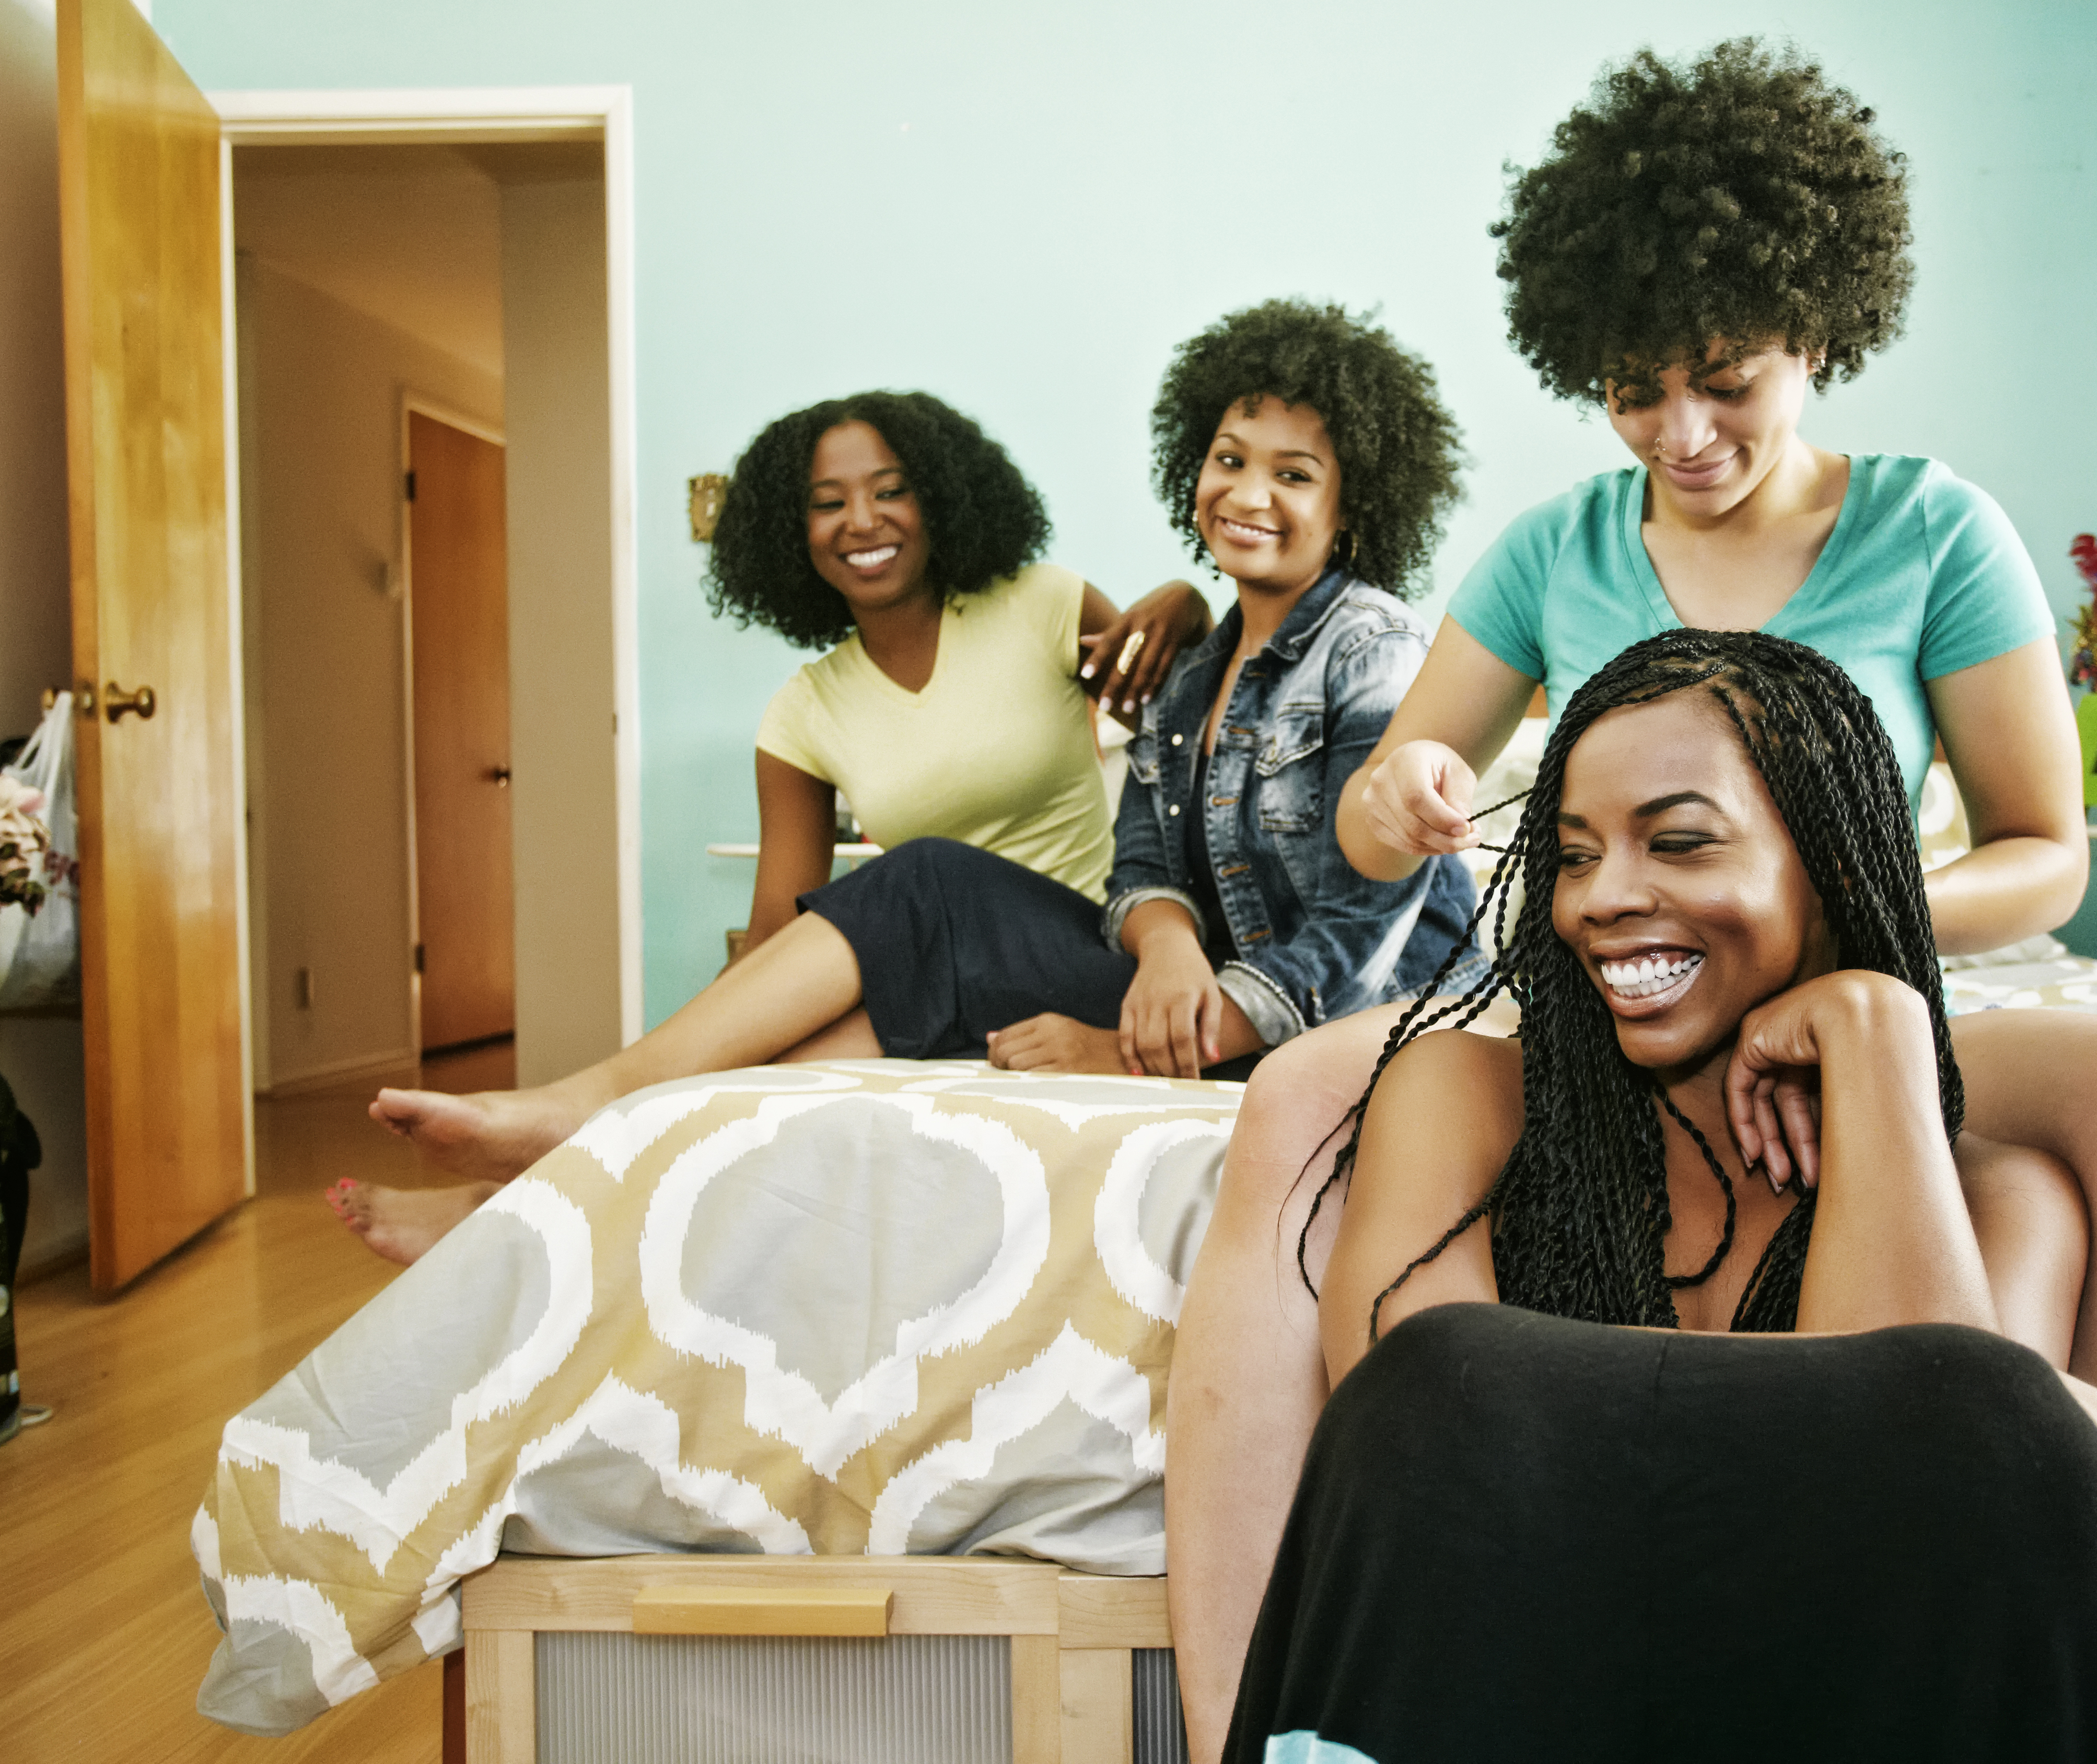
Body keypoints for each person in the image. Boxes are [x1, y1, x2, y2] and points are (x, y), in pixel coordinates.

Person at [1165, 41, 2097, 1758]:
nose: (1682, 433)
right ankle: (1267, 1712)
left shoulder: (1934, 531)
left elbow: (2042, 847)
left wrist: (1859, 945)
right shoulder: (1551, 553)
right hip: (1634, 999)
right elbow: (1400, 811)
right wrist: (1398, 798)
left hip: (1899, 961)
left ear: (1812, 337)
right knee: (1316, 1096)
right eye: (1634, 389)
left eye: (1727, 382)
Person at [334, 302, 1486, 1258]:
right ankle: (549, 1184)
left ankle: (576, 1123)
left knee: (922, 885)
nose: (1248, 492)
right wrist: (1170, 945)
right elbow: (1146, 858)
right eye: (1229, 461)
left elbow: (1365, 931)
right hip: (1145, 976)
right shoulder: (1185, 683)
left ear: (1354, 502)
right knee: (801, 1042)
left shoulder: (1365, 649)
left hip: (1261, 1016)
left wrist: (1131, 1039)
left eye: (1294, 474)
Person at [1225, 633, 2097, 1760]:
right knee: (1442, 1376)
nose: (1603, 901)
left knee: (1977, 1404)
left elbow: (1910, 1506)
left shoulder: (2004, 1201)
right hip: (1504, 1704)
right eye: (1575, 857)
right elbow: (1426, 1431)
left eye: (1679, 842)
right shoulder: (1465, 1096)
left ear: (1834, 872)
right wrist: (2059, 1404)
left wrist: (1872, 1028)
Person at [333, 390, 1211, 1260]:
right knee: (734, 1090)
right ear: (792, 535)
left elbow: (1197, 710)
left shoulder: (1043, 604)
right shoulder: (804, 711)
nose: (860, 519)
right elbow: (773, 931)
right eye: (826, 504)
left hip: (1085, 961)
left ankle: (581, 1099)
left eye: (889, 489)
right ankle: (501, 1208)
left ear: (941, 498)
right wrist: (732, 1030)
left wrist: (1185, 602)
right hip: (945, 989)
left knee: (927, 871)